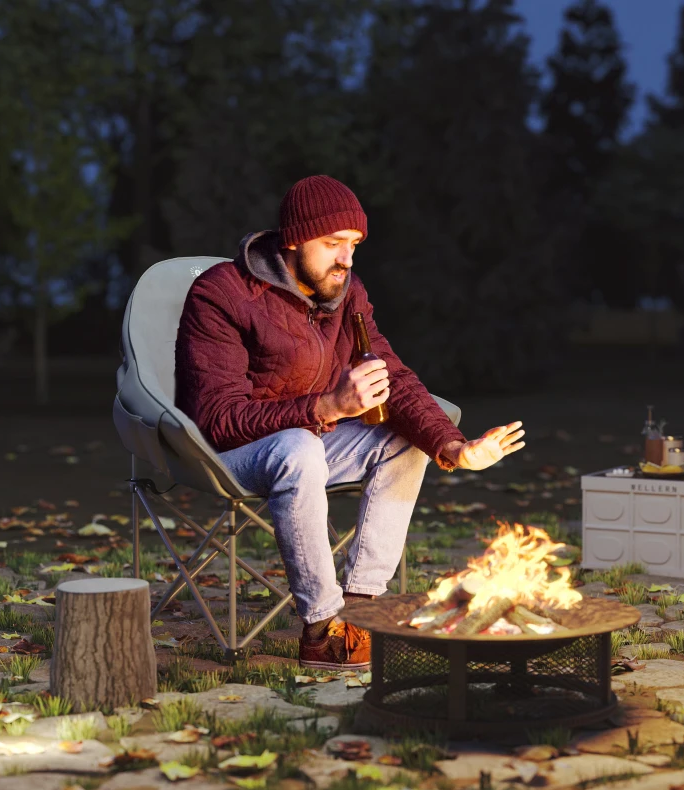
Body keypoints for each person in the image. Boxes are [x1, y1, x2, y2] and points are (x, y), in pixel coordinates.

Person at [175, 175, 526, 670]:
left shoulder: (345, 293)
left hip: (311, 439)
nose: (347, 259)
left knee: (404, 441)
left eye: (355, 245)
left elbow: (393, 379)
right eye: (333, 244)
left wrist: (453, 447)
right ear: (293, 239)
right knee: (296, 446)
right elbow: (217, 420)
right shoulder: (222, 295)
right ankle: (321, 628)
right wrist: (326, 408)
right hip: (233, 451)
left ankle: (359, 613)